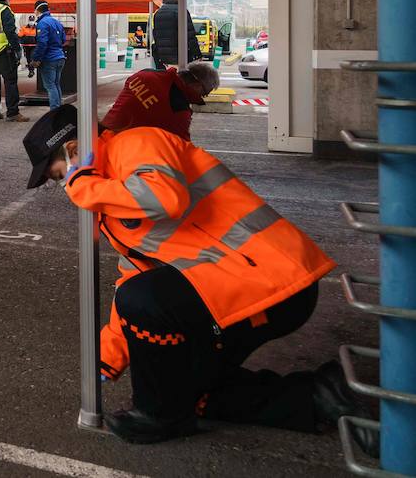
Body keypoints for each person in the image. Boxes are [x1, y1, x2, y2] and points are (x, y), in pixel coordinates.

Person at [21, 106, 372, 448]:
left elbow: (165, 198)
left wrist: (83, 185)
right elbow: (135, 274)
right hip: (237, 285)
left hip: (272, 280)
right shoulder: (111, 195)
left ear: (72, 150)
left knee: (148, 314)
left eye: (57, 175)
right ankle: (319, 395)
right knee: (192, 394)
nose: (62, 185)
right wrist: (109, 353)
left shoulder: (137, 144)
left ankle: (159, 415)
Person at [102, 62, 220, 141]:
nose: (203, 96)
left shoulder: (145, 74)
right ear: (197, 85)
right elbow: (182, 148)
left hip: (100, 135)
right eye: (205, 92)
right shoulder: (178, 111)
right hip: (120, 153)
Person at [28, 0, 66, 109]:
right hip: (60, 57)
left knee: (50, 86)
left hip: (50, 59)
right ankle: (59, 110)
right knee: (56, 84)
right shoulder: (56, 22)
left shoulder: (42, 23)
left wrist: (36, 59)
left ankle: (54, 111)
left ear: (37, 10)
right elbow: (63, 39)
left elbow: (42, 43)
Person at [151, 0, 203, 69]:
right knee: (181, 78)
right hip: (180, 56)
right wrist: (197, 54)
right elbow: (189, 35)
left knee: (168, 79)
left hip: (163, 58)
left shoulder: (158, 13)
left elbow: (155, 35)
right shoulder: (181, 11)